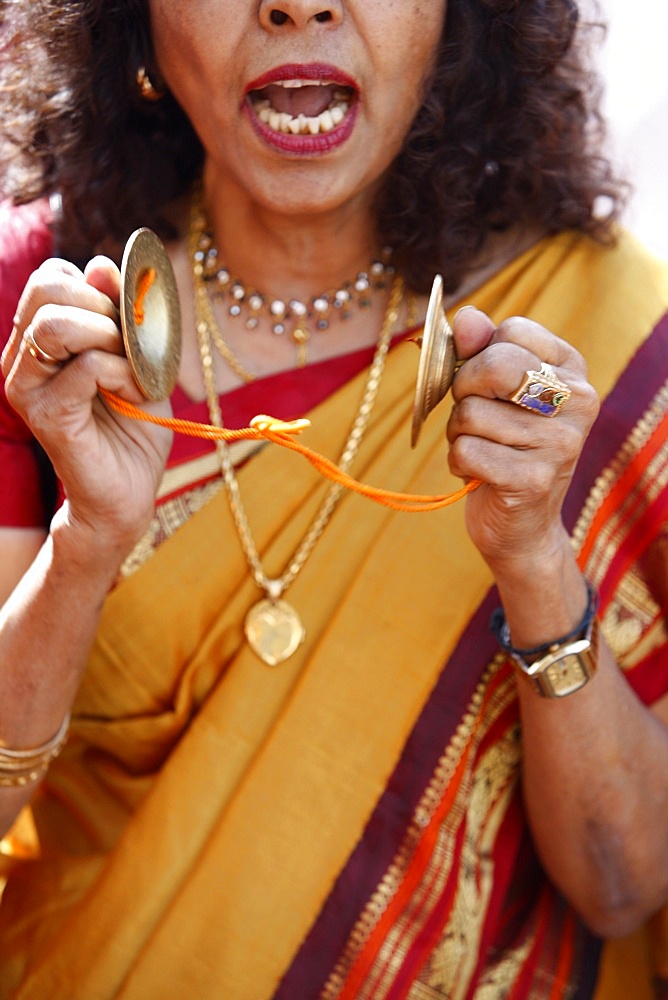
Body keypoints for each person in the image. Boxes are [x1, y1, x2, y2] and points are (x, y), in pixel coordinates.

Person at [0, 1, 666, 997]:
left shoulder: (601, 344)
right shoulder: (50, 319)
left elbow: (624, 889)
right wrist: (85, 541)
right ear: (131, 27)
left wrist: (535, 562)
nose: (298, 2)